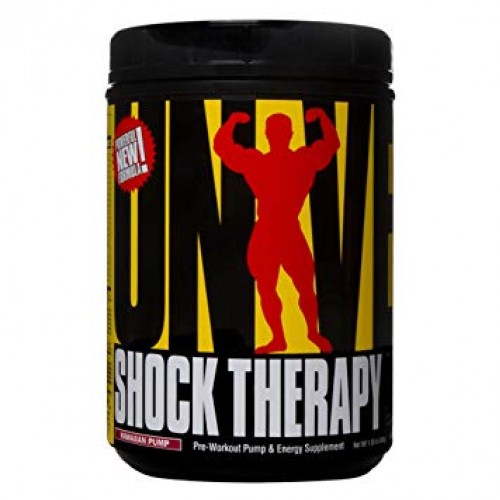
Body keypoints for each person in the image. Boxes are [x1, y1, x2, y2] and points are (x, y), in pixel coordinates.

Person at [214, 108, 340, 354]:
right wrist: (231, 121)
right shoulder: (268, 161)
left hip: (286, 230)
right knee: (269, 288)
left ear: (288, 134)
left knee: (302, 287)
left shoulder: (295, 160)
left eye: (280, 131)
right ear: (270, 134)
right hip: (269, 231)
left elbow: (331, 145)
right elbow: (222, 147)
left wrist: (323, 117)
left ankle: (311, 333)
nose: (278, 135)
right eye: (275, 131)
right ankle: (279, 338)